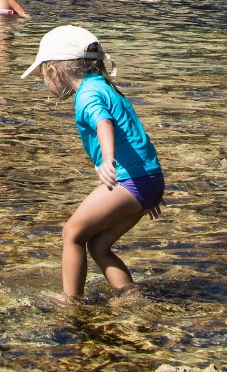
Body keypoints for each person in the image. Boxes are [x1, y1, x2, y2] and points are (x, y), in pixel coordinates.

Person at [22, 25, 163, 303]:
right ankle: (130, 297)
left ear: (54, 71)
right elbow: (135, 133)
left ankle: (71, 301)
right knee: (99, 245)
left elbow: (103, 123)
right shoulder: (105, 86)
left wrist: (107, 160)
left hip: (128, 180)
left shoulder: (86, 94)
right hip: (147, 178)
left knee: (72, 234)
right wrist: (151, 190)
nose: (44, 83)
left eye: (42, 75)